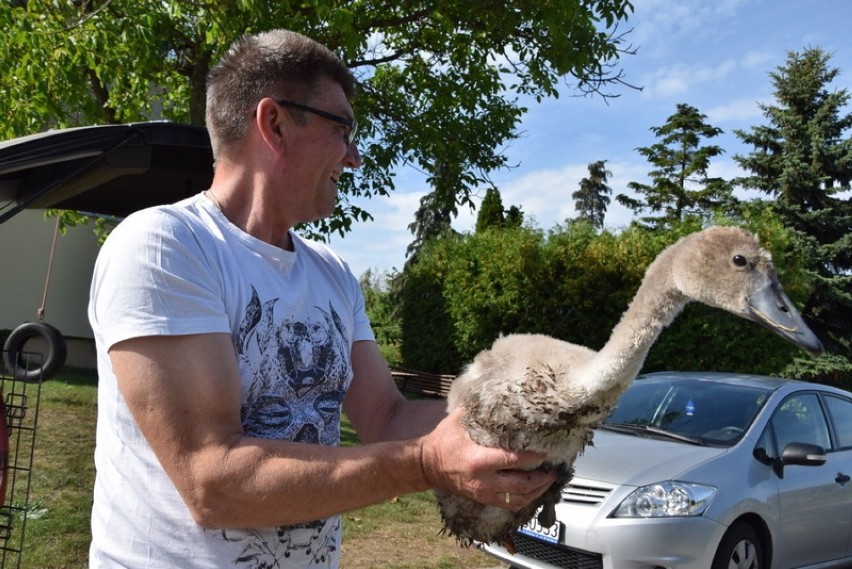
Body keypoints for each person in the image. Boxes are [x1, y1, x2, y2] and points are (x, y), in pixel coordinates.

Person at [87, 29, 555, 568]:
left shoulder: (332, 273)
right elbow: (213, 483)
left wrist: (520, 427)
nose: (354, 157)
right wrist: (425, 463)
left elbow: (385, 415)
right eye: (344, 130)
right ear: (275, 123)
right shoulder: (166, 246)